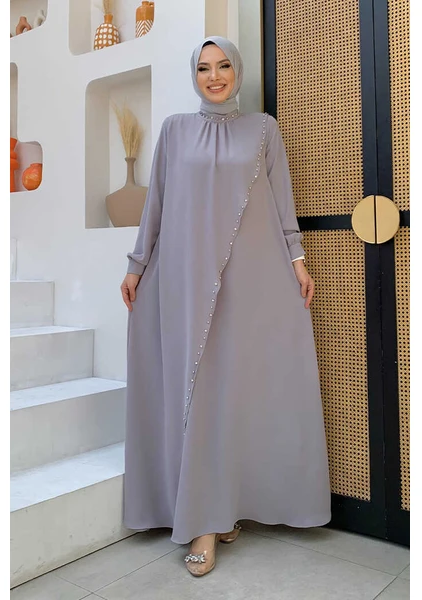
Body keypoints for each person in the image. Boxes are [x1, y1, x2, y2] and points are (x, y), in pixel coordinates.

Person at [120, 36, 331, 578]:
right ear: (194, 75)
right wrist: (137, 265)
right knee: (197, 392)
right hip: (184, 278)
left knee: (233, 394)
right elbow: (155, 203)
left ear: (237, 70)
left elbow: (282, 202)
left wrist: (298, 261)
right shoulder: (174, 130)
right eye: (204, 68)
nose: (214, 76)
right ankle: (203, 520)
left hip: (247, 279)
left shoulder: (263, 129)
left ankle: (223, 507)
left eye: (223, 66)